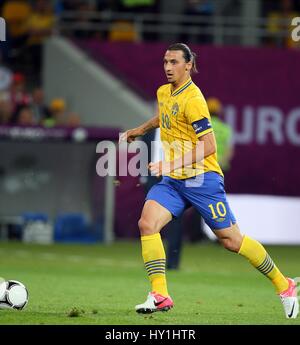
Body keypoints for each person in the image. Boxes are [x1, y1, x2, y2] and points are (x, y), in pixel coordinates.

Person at [119, 43, 298, 318]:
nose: (168, 67)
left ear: (188, 65)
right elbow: (165, 117)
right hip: (174, 182)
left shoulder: (194, 99)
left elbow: (209, 145)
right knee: (147, 224)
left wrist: (170, 163)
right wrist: (139, 129)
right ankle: (160, 294)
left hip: (202, 180)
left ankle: (284, 285)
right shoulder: (163, 92)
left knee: (232, 241)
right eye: (165, 62)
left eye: (174, 62)